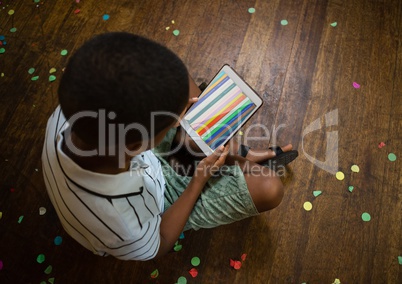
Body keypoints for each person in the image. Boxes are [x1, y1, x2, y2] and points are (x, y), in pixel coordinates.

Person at [42, 32, 298, 261]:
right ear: (138, 144)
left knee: (182, 86)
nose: (183, 117)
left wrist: (179, 114)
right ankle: (230, 155)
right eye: (176, 120)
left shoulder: (72, 112)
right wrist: (198, 181)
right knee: (270, 188)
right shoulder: (121, 224)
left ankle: (226, 153)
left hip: (132, 158)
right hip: (158, 202)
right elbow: (161, 242)